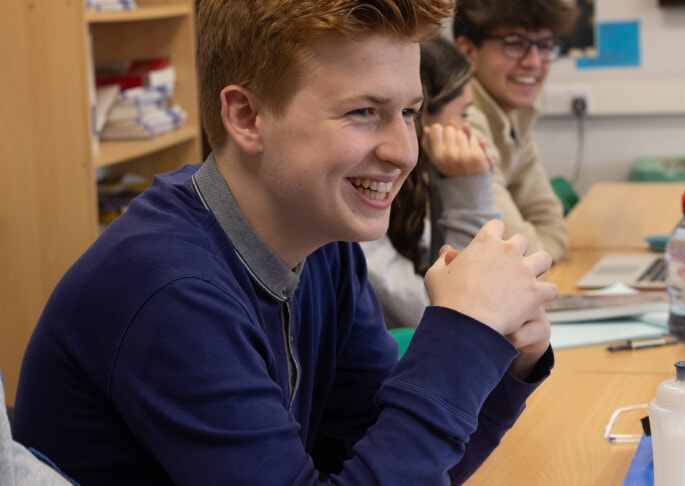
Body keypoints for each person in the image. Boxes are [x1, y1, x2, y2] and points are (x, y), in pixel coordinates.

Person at [12, 1, 559, 485]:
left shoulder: (323, 241)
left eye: (410, 112)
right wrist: (461, 341)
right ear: (246, 117)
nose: (404, 152)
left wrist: (503, 366)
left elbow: (399, 463)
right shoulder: (169, 290)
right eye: (363, 112)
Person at [360, 35, 499, 329]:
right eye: (463, 115)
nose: (467, 130)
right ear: (426, 118)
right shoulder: (354, 190)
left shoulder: (412, 186)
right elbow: (467, 311)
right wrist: (468, 188)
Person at [453, 0, 577, 262]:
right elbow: (517, 253)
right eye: (515, 44)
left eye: (544, 46)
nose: (534, 62)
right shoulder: (460, 119)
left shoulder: (516, 111)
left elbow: (551, 223)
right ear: (468, 51)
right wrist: (540, 255)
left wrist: (539, 253)